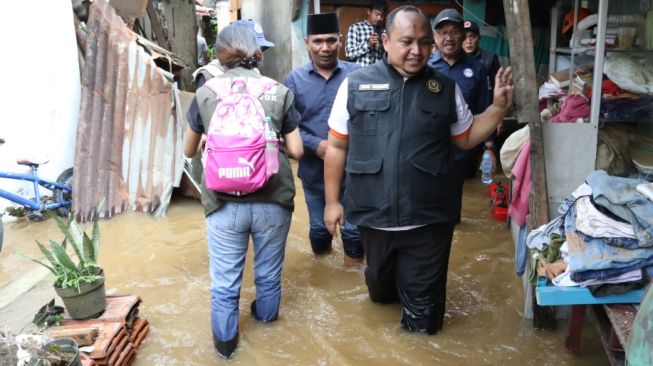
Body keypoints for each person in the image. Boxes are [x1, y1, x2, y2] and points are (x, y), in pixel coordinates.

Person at [324, 5, 512, 334]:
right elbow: (337, 146)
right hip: (374, 214)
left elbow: (465, 137)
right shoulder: (355, 85)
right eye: (407, 41)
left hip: (430, 218)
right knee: (381, 292)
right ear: (385, 41)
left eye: (425, 42)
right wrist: (331, 202)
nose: (417, 51)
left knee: (423, 318)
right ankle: (385, 291)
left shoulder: (444, 88)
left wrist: (497, 108)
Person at [184, 23, 303, 358]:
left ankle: (225, 349)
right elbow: (297, 151)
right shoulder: (278, 91)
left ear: (219, 55)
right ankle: (267, 332)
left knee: (224, 285)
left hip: (222, 203)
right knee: (267, 275)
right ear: (257, 51)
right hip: (273, 199)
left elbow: (189, 151)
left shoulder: (207, 92)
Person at [284, 13, 364, 266]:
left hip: (355, 172)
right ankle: (322, 276)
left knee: (354, 235)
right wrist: (316, 145)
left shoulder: (358, 75)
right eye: (318, 41)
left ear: (340, 41)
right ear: (307, 42)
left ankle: (351, 288)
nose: (325, 48)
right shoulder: (294, 80)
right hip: (314, 174)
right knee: (319, 232)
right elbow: (289, 127)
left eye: (331, 40)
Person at [428, 8, 494, 220]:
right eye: (443, 32)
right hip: (428, 147)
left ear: (463, 35)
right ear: (435, 37)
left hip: (462, 148)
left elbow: (485, 108)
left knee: (454, 201)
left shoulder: (476, 68)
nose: (449, 38)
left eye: (454, 32)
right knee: (427, 200)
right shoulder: (425, 68)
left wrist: (489, 148)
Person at [192, 19, 275, 89]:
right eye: (254, 49)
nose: (256, 55)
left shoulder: (257, 75)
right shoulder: (209, 75)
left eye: (259, 50)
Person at [462, 20, 502, 95]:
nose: (468, 41)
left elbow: (497, 88)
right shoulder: (455, 58)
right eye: (464, 37)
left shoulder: (490, 59)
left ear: (479, 39)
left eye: (473, 37)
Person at [344, 0, 388, 67]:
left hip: (378, 74)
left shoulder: (384, 32)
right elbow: (349, 54)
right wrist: (368, 44)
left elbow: (389, 58)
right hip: (360, 73)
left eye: (382, 16)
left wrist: (383, 47)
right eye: (377, 14)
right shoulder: (356, 28)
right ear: (369, 12)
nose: (379, 18)